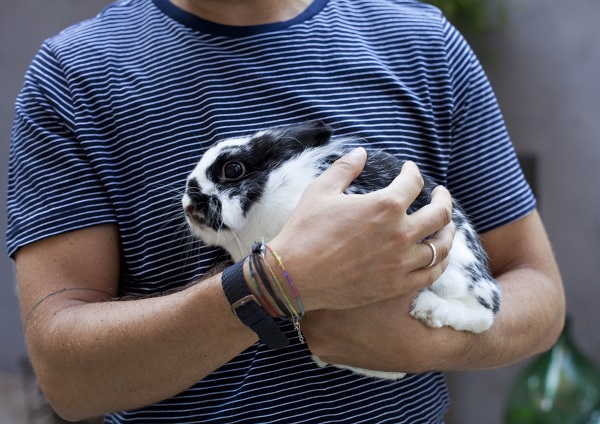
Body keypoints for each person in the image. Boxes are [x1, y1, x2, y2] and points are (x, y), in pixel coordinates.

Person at [6, 0, 565, 422]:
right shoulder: (75, 75)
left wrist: (423, 341)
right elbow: (66, 373)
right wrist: (271, 285)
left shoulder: (425, 47)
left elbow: (538, 291)